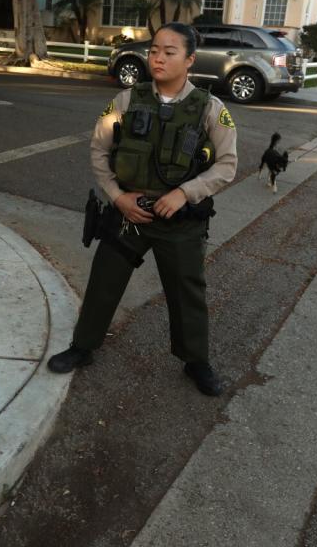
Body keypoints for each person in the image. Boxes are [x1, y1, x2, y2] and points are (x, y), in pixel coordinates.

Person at [47, 22, 238, 396]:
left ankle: (195, 360)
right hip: (128, 214)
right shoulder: (125, 101)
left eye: (170, 52)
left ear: (190, 60)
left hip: (179, 221)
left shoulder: (210, 109)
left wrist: (184, 193)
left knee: (187, 292)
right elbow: (99, 151)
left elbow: (227, 165)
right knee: (104, 279)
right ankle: (83, 347)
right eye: (154, 51)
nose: (159, 58)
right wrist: (117, 197)